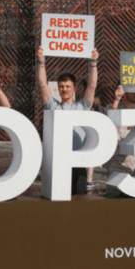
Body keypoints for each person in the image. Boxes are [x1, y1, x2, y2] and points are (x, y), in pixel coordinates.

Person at [37, 46, 99, 195]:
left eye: (68, 86)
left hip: (78, 162)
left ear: (75, 88)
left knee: (80, 202)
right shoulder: (53, 106)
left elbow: (92, 86)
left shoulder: (82, 106)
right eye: (61, 86)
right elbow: (43, 85)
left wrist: (93, 63)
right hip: (58, 162)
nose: (64, 89)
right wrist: (41, 63)